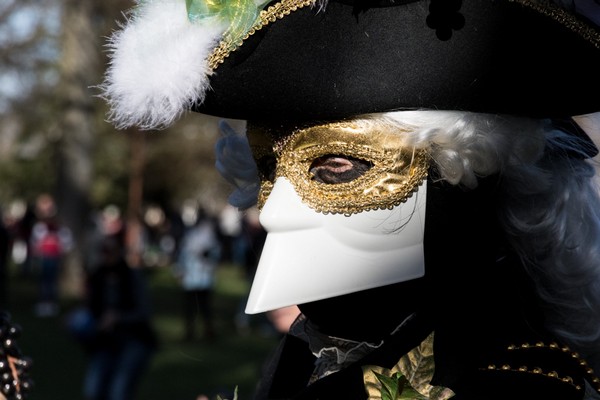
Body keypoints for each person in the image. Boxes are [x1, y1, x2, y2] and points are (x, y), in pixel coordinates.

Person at [100, 0, 600, 399]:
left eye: (335, 165)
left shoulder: (517, 383)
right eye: (269, 170)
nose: (272, 209)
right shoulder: (306, 351)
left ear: (467, 176)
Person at [81, 237, 158, 400]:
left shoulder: (131, 277)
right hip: (105, 340)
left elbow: (144, 312)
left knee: (119, 391)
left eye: (111, 251)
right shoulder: (97, 277)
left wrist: (119, 318)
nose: (107, 256)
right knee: (94, 389)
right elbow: (91, 307)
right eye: (104, 251)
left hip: (134, 338)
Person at [174, 206, 221, 342]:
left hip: (202, 278)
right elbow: (183, 255)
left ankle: (207, 331)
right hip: (193, 278)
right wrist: (179, 270)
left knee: (204, 308)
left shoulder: (206, 236)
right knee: (193, 308)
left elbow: (214, 254)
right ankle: (192, 332)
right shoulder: (191, 236)